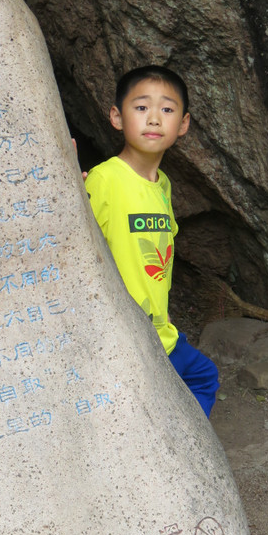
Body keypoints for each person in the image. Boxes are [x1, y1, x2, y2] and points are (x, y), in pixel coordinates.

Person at [84, 64, 219, 418]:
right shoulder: (105, 179)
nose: (155, 119)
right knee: (196, 382)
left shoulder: (163, 185)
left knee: (203, 377)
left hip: (161, 331)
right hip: (126, 334)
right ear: (117, 116)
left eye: (168, 110)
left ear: (184, 124)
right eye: (141, 108)